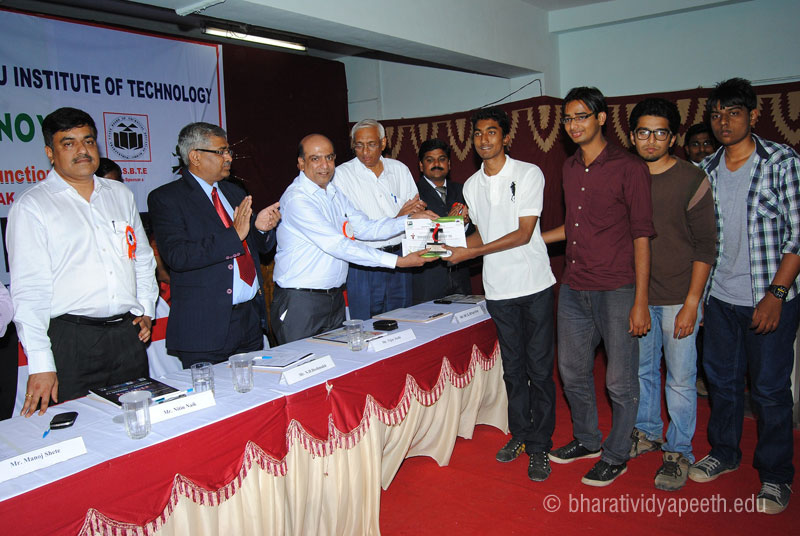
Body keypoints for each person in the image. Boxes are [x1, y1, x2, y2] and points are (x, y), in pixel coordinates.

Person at [687, 78, 800, 515]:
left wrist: (776, 294)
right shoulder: (705, 169)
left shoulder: (782, 162)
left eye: (734, 113)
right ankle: (725, 452)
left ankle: (775, 475)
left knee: (769, 389)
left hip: (769, 297)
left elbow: (798, 234)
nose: (724, 122)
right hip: (720, 297)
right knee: (722, 382)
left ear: (753, 115)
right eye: (717, 115)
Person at [7, 107, 158, 416]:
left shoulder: (120, 194)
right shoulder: (32, 206)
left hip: (126, 336)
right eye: (69, 143)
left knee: (140, 423)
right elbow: (29, 291)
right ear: (50, 153)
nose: (82, 150)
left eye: (88, 141)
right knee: (80, 429)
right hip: (71, 340)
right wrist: (41, 364)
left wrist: (145, 307)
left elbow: (142, 258)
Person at [543, 87, 654, 487]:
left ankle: (617, 454)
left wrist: (641, 300)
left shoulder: (630, 168)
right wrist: (529, 240)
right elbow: (574, 226)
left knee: (619, 381)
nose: (574, 125)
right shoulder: (570, 167)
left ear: (601, 118)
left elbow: (642, 235)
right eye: (568, 119)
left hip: (618, 288)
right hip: (575, 286)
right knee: (571, 371)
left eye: (582, 116)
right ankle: (587, 439)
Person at [446, 108, 556, 482]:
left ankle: (540, 445)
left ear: (506, 137)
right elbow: (483, 233)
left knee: (539, 369)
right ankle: (521, 434)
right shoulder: (471, 186)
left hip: (534, 284)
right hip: (498, 289)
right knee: (513, 369)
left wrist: (470, 253)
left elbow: (524, 233)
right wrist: (453, 243)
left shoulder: (528, 173)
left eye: (492, 132)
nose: (484, 139)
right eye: (478, 134)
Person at [271, 134, 438, 344]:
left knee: (338, 362)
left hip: (333, 300)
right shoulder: (298, 199)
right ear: (301, 163)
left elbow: (365, 228)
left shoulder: (333, 192)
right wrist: (399, 261)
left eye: (329, 157)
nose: (325, 165)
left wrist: (409, 220)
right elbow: (339, 245)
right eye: (315, 159)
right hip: (301, 302)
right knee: (304, 361)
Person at [627, 98, 716, 491]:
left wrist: (693, 304)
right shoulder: (626, 176)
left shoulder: (692, 178)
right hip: (638, 295)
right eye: (643, 132)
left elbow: (706, 245)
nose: (651, 140)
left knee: (680, 379)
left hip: (681, 295)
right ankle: (646, 431)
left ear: (673, 137)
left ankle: (679, 450)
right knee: (641, 371)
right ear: (632, 136)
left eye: (660, 132)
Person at [147, 122, 280, 368]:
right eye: (221, 152)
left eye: (228, 151)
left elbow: (255, 249)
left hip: (248, 320)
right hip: (205, 328)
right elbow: (178, 256)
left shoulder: (234, 192)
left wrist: (260, 229)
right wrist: (233, 235)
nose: (229, 157)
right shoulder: (167, 198)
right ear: (195, 156)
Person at [333, 119, 428, 320]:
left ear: (383, 143)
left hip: (400, 257)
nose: (365, 152)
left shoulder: (399, 169)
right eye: (359, 145)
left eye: (371, 144)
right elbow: (355, 226)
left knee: (402, 320)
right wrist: (398, 218)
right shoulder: (341, 175)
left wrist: (406, 217)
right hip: (364, 263)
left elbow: (416, 210)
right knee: (366, 324)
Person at [411, 138, 473, 304]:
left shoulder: (464, 190)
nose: (436, 164)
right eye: (430, 160)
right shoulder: (412, 194)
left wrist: (465, 224)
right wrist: (451, 223)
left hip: (460, 276)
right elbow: (415, 242)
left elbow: (478, 234)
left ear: (449, 164)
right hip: (427, 280)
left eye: (442, 159)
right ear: (421, 165)